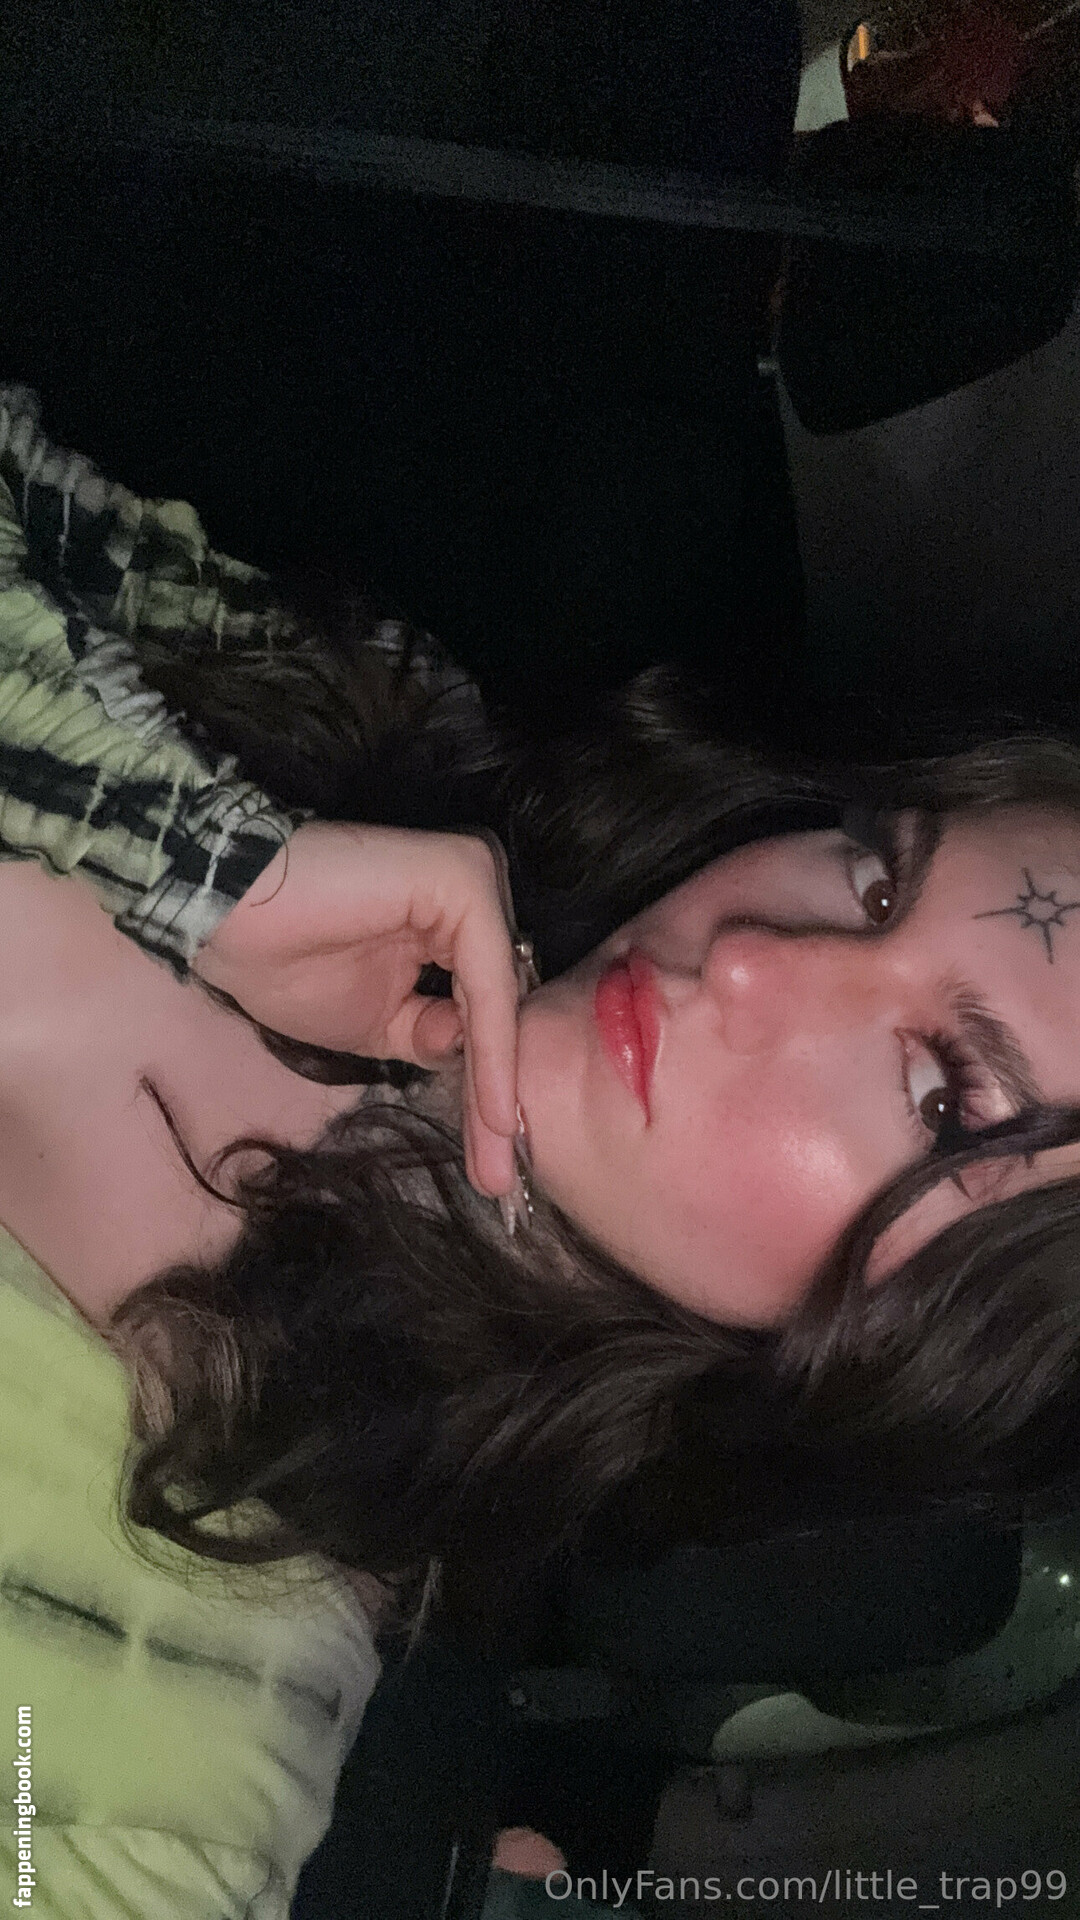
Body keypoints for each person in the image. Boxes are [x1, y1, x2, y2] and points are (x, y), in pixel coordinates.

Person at [5, 387, 1080, 1909]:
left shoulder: (163, 1764)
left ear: (911, 1360)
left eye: (940, 1097)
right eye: (873, 878)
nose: (754, 959)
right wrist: (183, 849)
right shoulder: (397, 730)